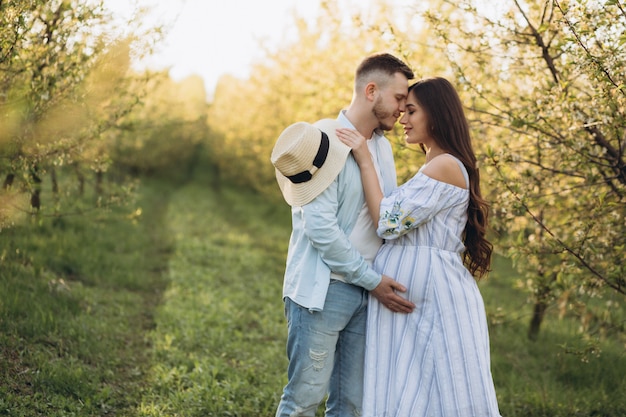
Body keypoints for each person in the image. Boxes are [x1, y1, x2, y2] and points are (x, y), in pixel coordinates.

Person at [336, 77, 502, 416]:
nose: (403, 118)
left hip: (435, 302)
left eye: (411, 110)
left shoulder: (444, 166)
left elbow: (389, 222)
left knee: (443, 393)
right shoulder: (435, 164)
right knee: (418, 391)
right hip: (418, 302)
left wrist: (364, 159)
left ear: (437, 115)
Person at [271, 53, 416, 417]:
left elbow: (383, 215)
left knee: (352, 405)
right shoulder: (321, 140)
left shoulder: (381, 147)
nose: (403, 107)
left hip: (368, 294)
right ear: (371, 90)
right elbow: (320, 229)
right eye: (399, 98)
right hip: (325, 291)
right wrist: (372, 280)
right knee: (303, 400)